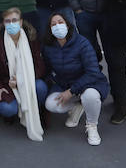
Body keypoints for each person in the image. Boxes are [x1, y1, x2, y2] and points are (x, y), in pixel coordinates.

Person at [41, 11, 109, 146]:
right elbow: (47, 69)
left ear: (67, 24)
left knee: (90, 96)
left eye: (60, 22)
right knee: (50, 104)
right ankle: (78, 105)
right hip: (64, 84)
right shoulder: (49, 47)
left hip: (89, 83)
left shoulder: (82, 43)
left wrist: (71, 91)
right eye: (53, 24)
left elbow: (93, 72)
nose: (57, 26)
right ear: (50, 29)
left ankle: (92, 126)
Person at [0, 7, 46, 141]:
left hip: (28, 82)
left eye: (14, 20)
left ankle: (35, 111)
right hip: (7, 84)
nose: (11, 24)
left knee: (40, 87)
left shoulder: (31, 39)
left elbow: (40, 66)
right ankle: (11, 115)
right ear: (3, 24)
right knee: (7, 109)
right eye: (7, 21)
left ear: (21, 22)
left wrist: (22, 80)